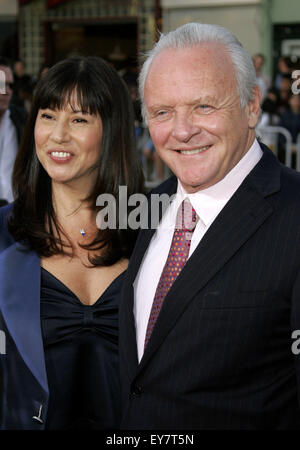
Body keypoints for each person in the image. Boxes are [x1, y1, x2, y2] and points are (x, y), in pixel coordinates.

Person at [119, 23, 300, 429]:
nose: (182, 131)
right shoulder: (150, 206)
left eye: (203, 106)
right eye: (163, 112)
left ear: (252, 106)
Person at [0, 56, 144, 429]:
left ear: (111, 130)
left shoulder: (153, 233)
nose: (58, 134)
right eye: (47, 115)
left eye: (79, 119)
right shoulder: (3, 234)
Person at [0, 57, 27, 203]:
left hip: (15, 212)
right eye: (1, 84)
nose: (7, 91)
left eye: (10, 85)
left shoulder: (22, 120)